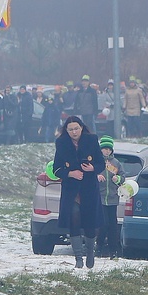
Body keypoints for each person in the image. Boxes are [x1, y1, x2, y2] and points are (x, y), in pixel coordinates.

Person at [52, 115, 104, 268]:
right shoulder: (61, 143)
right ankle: (78, 257)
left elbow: (101, 162)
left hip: (89, 187)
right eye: (70, 130)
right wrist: (70, 173)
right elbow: (57, 169)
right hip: (71, 190)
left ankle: (89, 252)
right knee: (73, 219)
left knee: (89, 223)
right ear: (66, 131)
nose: (74, 132)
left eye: (76, 128)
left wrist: (93, 168)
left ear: (81, 128)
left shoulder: (91, 140)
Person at [95, 136, 125, 259]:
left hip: (113, 198)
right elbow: (90, 174)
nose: (106, 151)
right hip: (100, 198)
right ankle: (99, 247)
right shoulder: (97, 162)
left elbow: (122, 177)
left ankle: (113, 250)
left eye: (108, 149)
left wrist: (117, 179)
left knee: (113, 225)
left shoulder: (116, 163)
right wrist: (96, 176)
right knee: (103, 224)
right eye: (104, 149)